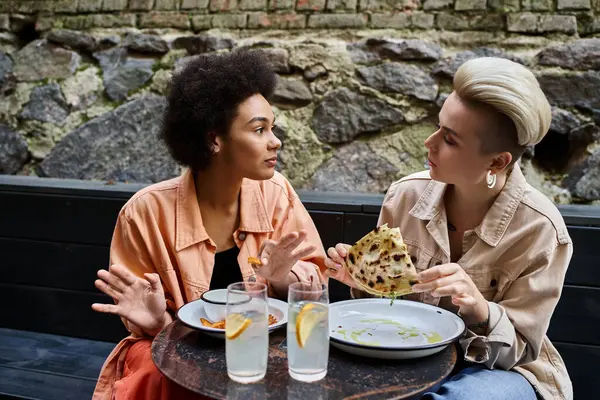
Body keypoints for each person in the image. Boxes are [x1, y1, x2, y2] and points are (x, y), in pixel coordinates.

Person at [325, 57, 573, 400]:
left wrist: (479, 307)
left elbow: (520, 349)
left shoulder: (541, 230)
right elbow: (385, 312)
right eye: (437, 126)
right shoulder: (405, 196)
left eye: (450, 139)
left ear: (497, 161)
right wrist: (364, 282)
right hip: (408, 359)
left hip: (502, 373)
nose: (429, 142)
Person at [91, 50, 326, 400]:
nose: (275, 141)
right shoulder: (144, 212)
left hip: (261, 344)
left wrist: (280, 278)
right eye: (259, 129)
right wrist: (157, 323)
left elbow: (314, 286)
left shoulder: (278, 193)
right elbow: (145, 319)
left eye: (272, 128)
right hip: (174, 348)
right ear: (215, 139)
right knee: (161, 370)